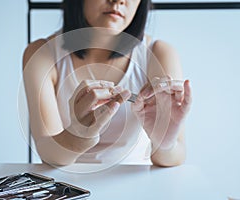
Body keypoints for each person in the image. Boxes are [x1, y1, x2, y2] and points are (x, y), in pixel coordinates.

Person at [22, 0, 192, 167]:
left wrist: (164, 143)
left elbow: (176, 156)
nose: (118, 1)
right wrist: (78, 134)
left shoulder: (158, 53)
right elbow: (47, 153)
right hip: (68, 185)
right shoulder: (41, 54)